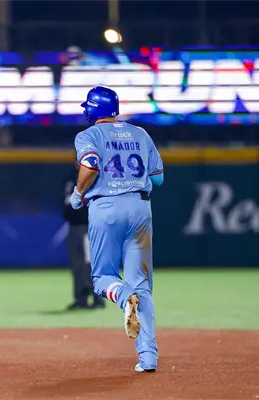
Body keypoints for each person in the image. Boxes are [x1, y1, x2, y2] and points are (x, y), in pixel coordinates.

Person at [69, 86, 164, 373]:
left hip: (106, 208)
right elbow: (158, 178)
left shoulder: (88, 135)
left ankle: (124, 298)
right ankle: (148, 357)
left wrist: (78, 193)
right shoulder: (140, 133)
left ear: (93, 110)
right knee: (141, 285)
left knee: (102, 279)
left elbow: (91, 164)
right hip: (140, 209)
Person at [63, 167, 106, 310]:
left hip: (90, 227)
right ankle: (80, 298)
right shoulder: (71, 180)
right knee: (77, 265)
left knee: (90, 263)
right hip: (74, 227)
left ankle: (97, 298)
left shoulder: (95, 178)